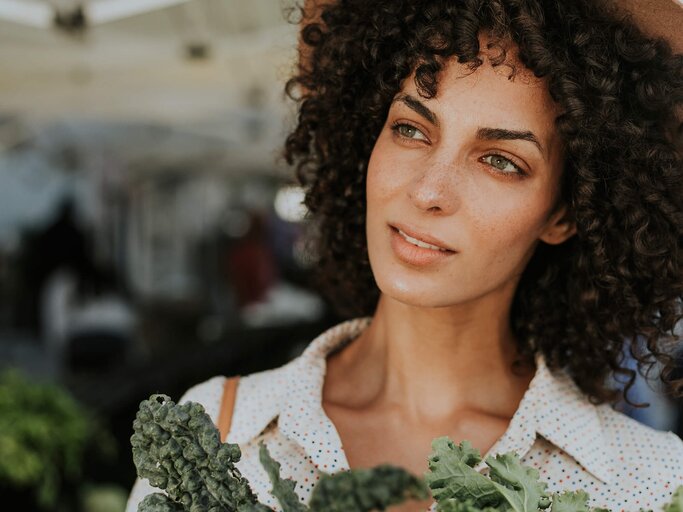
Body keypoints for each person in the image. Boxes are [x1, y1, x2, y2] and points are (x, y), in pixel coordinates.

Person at [126, 1, 683, 511]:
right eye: (412, 129)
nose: (428, 191)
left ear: (565, 213)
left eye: (500, 161)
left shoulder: (649, 483)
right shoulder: (219, 430)